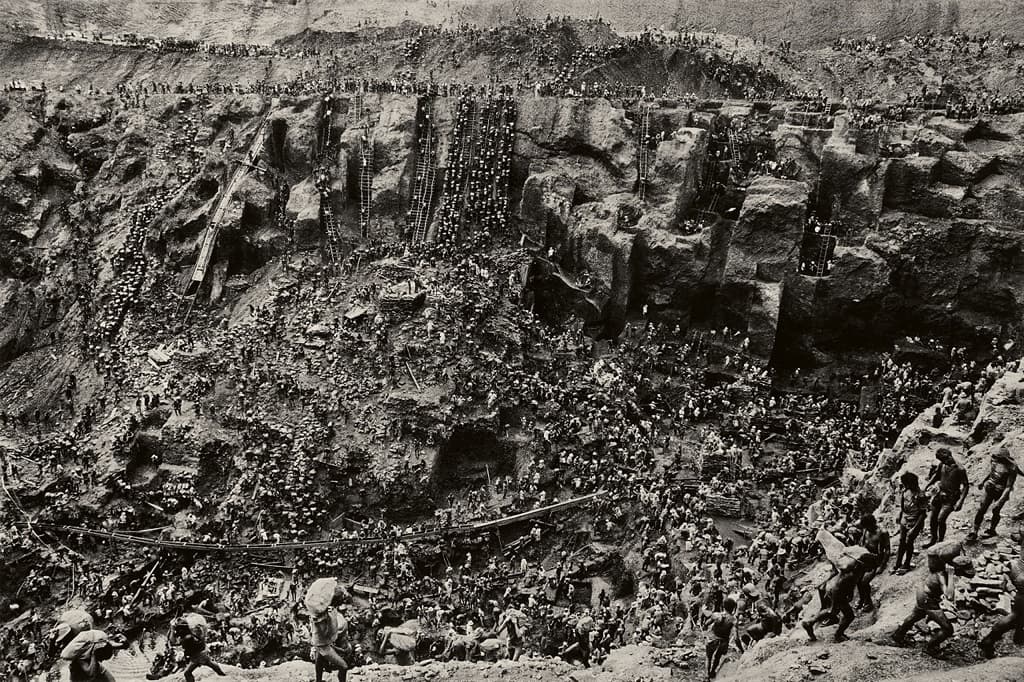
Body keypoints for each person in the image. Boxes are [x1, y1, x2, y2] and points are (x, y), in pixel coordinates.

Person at [892, 548, 974, 657]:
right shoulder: (943, 576)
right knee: (948, 629)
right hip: (927, 598)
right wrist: (950, 575)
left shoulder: (944, 569)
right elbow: (949, 596)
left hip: (923, 593)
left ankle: (898, 635)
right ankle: (930, 648)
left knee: (916, 615)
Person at [979, 531, 1024, 658]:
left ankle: (1019, 635)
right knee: (1015, 615)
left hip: (1018, 569)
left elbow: (1015, 535)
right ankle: (988, 640)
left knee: (1019, 612)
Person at [967, 445, 1018, 541]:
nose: (995, 458)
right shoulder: (994, 461)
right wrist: (983, 481)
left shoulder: (1012, 467)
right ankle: (974, 531)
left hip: (1001, 491)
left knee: (996, 511)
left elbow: (1008, 486)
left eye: (998, 457)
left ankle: (992, 530)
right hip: (989, 488)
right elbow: (991, 473)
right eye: (995, 457)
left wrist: (1000, 501)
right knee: (981, 509)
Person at [923, 448, 969, 547]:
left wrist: (960, 501)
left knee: (941, 519)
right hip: (940, 494)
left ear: (949, 456)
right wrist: (927, 486)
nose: (943, 462)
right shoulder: (942, 465)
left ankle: (940, 541)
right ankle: (933, 539)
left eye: (944, 460)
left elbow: (966, 485)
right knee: (933, 519)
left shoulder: (960, 469)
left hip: (951, 498)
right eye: (942, 461)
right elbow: (936, 476)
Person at [171, 618, 226, 682]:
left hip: (196, 657)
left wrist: (172, 629)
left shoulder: (186, 638)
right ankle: (221, 674)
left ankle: (221, 673)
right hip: (202, 652)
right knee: (210, 663)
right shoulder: (191, 633)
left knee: (187, 673)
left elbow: (173, 641)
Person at [893, 471, 927, 574]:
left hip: (915, 522)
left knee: (909, 542)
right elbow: (903, 506)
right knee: (902, 541)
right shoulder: (905, 491)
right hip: (905, 520)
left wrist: (914, 528)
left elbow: (922, 514)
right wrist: (900, 515)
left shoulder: (920, 495)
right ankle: (898, 562)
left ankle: (907, 563)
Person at [856, 513, 890, 611]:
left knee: (864, 581)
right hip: (865, 557)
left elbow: (887, 550)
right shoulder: (866, 529)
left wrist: (882, 566)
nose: (867, 529)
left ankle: (868, 603)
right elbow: (862, 543)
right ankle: (862, 599)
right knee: (857, 579)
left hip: (876, 560)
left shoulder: (882, 532)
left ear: (872, 524)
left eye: (868, 527)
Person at [311, 607, 350, 682]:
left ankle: (318, 680)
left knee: (319, 659)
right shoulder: (320, 620)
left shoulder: (319, 616)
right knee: (344, 667)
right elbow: (327, 634)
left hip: (320, 644)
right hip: (324, 646)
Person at [705, 596, 736, 679]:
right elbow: (736, 637)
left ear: (723, 606)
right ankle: (713, 671)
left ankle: (707, 675)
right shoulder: (733, 620)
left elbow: (706, 623)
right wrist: (742, 649)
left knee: (708, 657)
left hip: (712, 639)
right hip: (723, 642)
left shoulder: (716, 615)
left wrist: (706, 624)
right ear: (733, 608)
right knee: (717, 657)